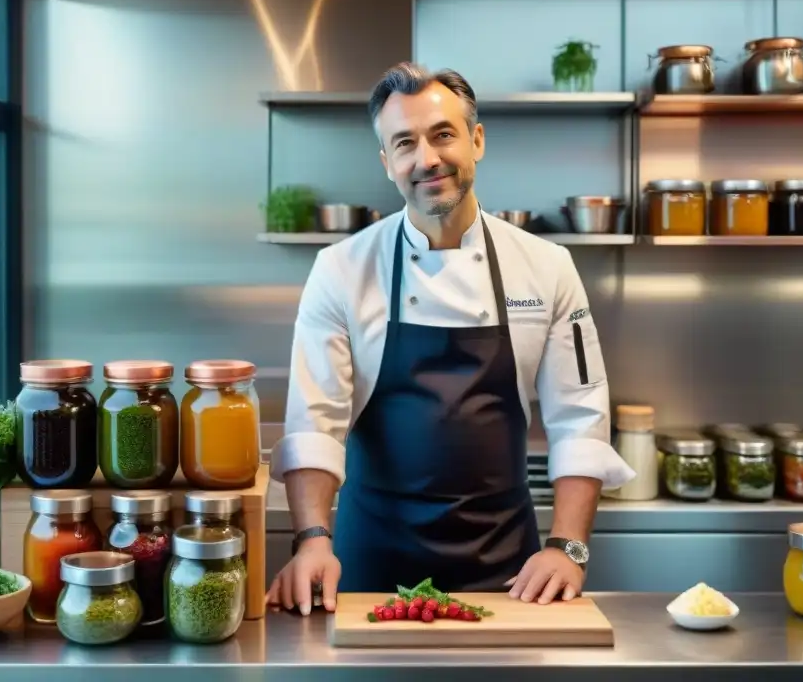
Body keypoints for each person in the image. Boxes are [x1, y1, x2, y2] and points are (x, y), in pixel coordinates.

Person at [266, 62, 634, 616]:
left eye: (443, 134)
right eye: (405, 143)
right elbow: (315, 423)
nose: (427, 158)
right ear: (388, 161)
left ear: (476, 140)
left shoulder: (547, 266)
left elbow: (581, 416)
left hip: (508, 568)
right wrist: (313, 539)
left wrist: (568, 546)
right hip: (368, 565)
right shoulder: (341, 270)